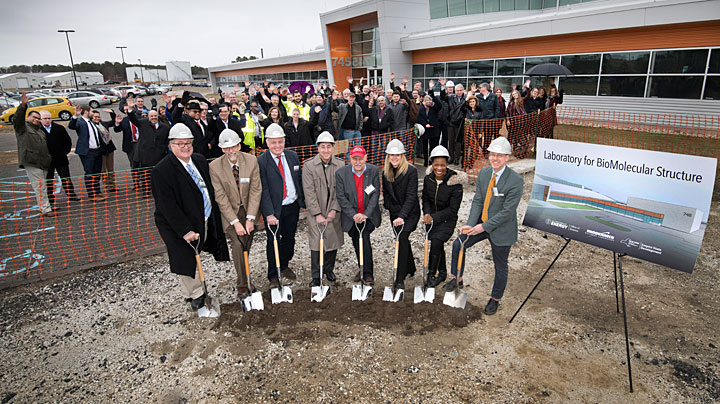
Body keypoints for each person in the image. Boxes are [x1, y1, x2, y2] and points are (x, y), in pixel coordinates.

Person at [443, 136, 524, 315]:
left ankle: (495, 299)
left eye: (500, 156)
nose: (495, 159)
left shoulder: (515, 181)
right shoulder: (485, 174)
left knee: (500, 265)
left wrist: (483, 227)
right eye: (492, 155)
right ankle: (458, 278)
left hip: (501, 228)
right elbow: (478, 200)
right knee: (459, 244)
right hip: (480, 223)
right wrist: (471, 224)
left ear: (507, 158)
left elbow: (507, 212)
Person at [151, 123, 224, 311]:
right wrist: (184, 230)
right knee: (186, 258)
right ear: (171, 145)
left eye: (188, 143)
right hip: (177, 224)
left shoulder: (199, 160)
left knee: (195, 254)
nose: (185, 147)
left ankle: (189, 292)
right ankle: (196, 295)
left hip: (201, 218)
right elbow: (167, 206)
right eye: (180, 143)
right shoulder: (163, 170)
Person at [209, 129, 262, 298]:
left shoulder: (251, 161)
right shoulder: (215, 167)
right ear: (222, 149)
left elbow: (255, 190)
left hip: (248, 211)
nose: (231, 151)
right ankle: (243, 284)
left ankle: (245, 274)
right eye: (227, 148)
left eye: (234, 146)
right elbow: (220, 197)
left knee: (246, 245)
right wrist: (235, 222)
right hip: (230, 214)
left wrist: (250, 218)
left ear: (239, 145)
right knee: (238, 245)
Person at [257, 123, 305, 289]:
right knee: (273, 241)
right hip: (274, 210)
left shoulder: (292, 156)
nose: (277, 146)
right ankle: (273, 275)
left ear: (284, 141)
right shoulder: (262, 161)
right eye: (273, 142)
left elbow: (298, 180)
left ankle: (284, 264)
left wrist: (303, 202)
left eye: (280, 142)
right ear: (268, 143)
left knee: (290, 239)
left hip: (292, 206)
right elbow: (263, 189)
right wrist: (269, 213)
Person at [302, 132, 344, 286]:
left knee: (332, 240)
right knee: (316, 243)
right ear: (317, 148)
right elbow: (309, 191)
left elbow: (341, 191)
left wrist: (334, 210)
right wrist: (318, 214)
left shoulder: (340, 165)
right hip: (316, 212)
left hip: (333, 211)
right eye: (322, 147)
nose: (326, 150)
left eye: (328, 147)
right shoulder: (308, 166)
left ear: (333, 148)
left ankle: (328, 269)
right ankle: (315, 275)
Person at [335, 145, 381, 286]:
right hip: (352, 217)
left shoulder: (373, 171)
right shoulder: (341, 174)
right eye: (355, 159)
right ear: (350, 159)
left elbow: (375, 194)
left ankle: (368, 274)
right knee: (357, 240)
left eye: (360, 158)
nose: (358, 162)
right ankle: (362, 267)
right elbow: (341, 197)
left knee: (364, 239)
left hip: (368, 215)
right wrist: (354, 215)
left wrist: (365, 214)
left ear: (365, 158)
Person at [421, 145, 465, 287]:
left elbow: (453, 210)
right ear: (432, 164)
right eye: (436, 165)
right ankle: (443, 272)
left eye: (442, 165)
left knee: (436, 242)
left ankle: (431, 275)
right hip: (431, 217)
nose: (439, 168)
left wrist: (433, 217)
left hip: (447, 219)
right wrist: (427, 213)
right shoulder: (429, 180)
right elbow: (425, 199)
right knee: (437, 244)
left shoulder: (455, 183)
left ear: (447, 164)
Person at [381, 139, 420, 289]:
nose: (395, 158)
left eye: (397, 155)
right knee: (402, 239)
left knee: (402, 238)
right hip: (395, 212)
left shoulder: (411, 171)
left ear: (402, 155)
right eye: (392, 155)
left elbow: (411, 197)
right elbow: (386, 194)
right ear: (388, 156)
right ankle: (411, 267)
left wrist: (401, 216)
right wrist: (390, 208)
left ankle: (399, 278)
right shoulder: (386, 173)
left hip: (409, 213)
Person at [14, 92, 54, 217]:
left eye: (38, 118)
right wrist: (23, 106)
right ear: (28, 118)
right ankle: (46, 209)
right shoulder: (23, 128)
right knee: (40, 186)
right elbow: (17, 119)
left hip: (43, 162)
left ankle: (46, 206)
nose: (36, 120)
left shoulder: (40, 131)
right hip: (31, 161)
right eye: (34, 117)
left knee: (43, 185)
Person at [40, 110, 79, 206]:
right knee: (48, 180)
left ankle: (71, 194)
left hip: (60, 158)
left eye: (49, 118)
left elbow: (67, 141)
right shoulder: (38, 130)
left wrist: (64, 152)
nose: (47, 120)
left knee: (65, 177)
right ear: (40, 119)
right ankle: (50, 198)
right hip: (46, 160)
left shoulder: (59, 128)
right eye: (45, 118)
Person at [69, 105, 105, 202]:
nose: (93, 113)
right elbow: (72, 126)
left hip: (97, 150)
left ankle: (97, 191)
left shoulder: (91, 122)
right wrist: (75, 116)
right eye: (92, 111)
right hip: (88, 152)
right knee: (90, 173)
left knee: (97, 172)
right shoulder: (80, 122)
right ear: (86, 111)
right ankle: (91, 194)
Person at [91, 109, 119, 194]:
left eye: (98, 117)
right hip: (101, 151)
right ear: (91, 118)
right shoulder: (91, 126)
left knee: (110, 168)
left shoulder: (103, 124)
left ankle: (112, 185)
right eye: (95, 117)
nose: (97, 118)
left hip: (109, 148)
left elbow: (113, 122)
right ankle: (106, 186)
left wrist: (112, 113)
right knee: (103, 170)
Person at [416, 94, 442, 166]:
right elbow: (419, 118)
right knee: (425, 146)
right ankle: (426, 161)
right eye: (426, 100)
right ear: (424, 101)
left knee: (433, 146)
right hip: (425, 130)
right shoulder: (422, 108)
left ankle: (431, 160)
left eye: (429, 100)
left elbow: (440, 106)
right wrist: (425, 124)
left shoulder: (434, 108)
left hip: (433, 129)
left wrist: (433, 97)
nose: (428, 102)